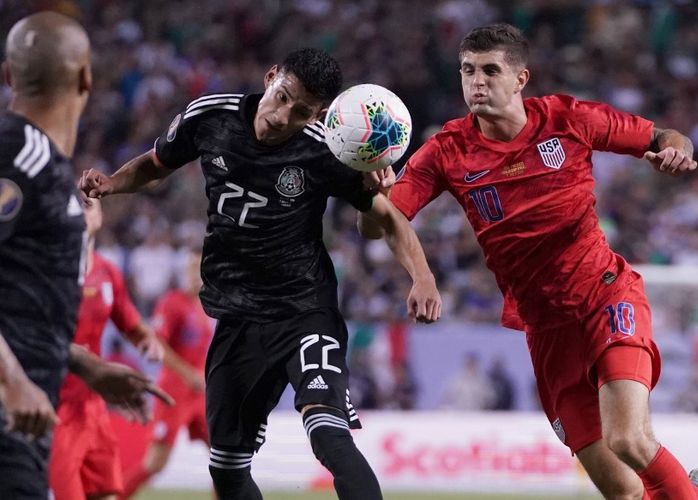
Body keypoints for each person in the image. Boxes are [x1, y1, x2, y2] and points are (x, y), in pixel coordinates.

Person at [360, 23, 698, 500]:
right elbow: (379, 222)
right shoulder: (447, 151)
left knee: (629, 439)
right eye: (468, 70)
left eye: (490, 70)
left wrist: (676, 151)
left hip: (606, 295)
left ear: (520, 79)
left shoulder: (568, 118)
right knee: (623, 491)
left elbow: (664, 136)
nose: (477, 82)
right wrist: (381, 207)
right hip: (547, 329)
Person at [79, 48, 442, 500]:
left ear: (322, 113)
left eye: (303, 111)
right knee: (227, 470)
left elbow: (381, 222)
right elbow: (156, 163)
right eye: (283, 96)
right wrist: (113, 183)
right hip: (236, 316)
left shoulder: (328, 149)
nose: (284, 115)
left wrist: (422, 275)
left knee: (329, 435)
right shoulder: (210, 117)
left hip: (305, 311)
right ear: (271, 77)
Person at [0, 12, 173, 499]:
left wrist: (82, 364)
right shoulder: (20, 154)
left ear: (8, 75)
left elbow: (18, 311)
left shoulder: (46, 169)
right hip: (11, 410)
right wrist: (12, 381)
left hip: (28, 410)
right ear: (85, 78)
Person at [49, 198, 165, 500]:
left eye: (88, 205)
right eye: (74, 204)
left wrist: (147, 342)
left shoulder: (107, 272)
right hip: (55, 407)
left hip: (93, 407)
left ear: (100, 215)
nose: (81, 210)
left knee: (107, 494)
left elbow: (130, 322)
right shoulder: (48, 269)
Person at [122, 249, 214, 498]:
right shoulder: (173, 303)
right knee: (155, 463)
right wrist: (188, 374)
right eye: (192, 267)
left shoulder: (207, 307)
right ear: (184, 271)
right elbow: (157, 343)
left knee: (224, 457)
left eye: (201, 267)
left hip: (200, 395)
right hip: (174, 392)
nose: (196, 274)